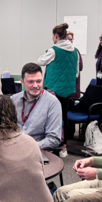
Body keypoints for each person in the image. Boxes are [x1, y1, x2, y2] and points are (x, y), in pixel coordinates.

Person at [38, 23, 78, 154]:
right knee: (63, 117)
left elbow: (40, 62)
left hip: (53, 89)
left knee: (51, 117)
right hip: (67, 90)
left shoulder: (54, 50)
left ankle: (50, 144)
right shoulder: (75, 51)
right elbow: (76, 73)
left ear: (56, 36)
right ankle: (63, 146)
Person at [11, 62, 62, 151]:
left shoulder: (52, 103)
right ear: (22, 82)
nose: (35, 85)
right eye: (31, 82)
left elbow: (54, 139)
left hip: (38, 151)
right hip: (13, 148)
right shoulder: (13, 100)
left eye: (39, 81)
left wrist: (28, 147)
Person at [66, 30, 84, 100]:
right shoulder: (60, 51)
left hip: (74, 82)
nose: (69, 41)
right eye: (67, 39)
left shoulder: (76, 51)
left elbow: (80, 66)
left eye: (71, 39)